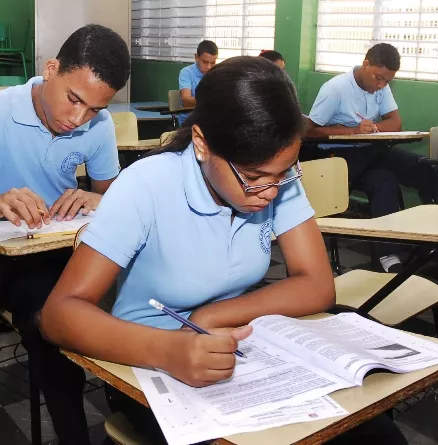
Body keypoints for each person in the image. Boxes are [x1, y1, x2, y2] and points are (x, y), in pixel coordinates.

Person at [38, 56, 407, 445]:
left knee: (375, 436)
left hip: (244, 350)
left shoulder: (276, 180)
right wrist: (169, 351)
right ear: (201, 143)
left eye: (283, 174)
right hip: (149, 365)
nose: (269, 192)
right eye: (253, 178)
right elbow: (58, 315)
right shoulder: (145, 186)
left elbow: (317, 285)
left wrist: (214, 314)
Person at [0, 24, 131, 445]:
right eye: (74, 99)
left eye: (93, 110)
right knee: (51, 321)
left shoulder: (98, 125)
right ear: (52, 69)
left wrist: (94, 197)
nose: (78, 119)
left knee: (137, 306)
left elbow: (115, 198)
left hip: (75, 250)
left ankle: (135, 418)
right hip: (11, 257)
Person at [304, 43, 435, 273]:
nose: (381, 85)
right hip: (339, 158)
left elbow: (395, 123)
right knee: (387, 172)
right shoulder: (335, 89)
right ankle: (389, 254)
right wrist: (353, 131)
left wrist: (373, 127)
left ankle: (425, 242)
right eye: (378, 78)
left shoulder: (381, 87)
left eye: (387, 81)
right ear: (366, 65)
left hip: (371, 150)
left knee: (418, 169)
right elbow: (309, 131)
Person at [177, 40, 218, 125]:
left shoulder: (216, 73)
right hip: (190, 121)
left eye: (213, 63)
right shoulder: (186, 72)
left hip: (209, 119)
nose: (209, 67)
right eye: (205, 62)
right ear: (196, 57)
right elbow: (186, 100)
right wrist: (208, 101)